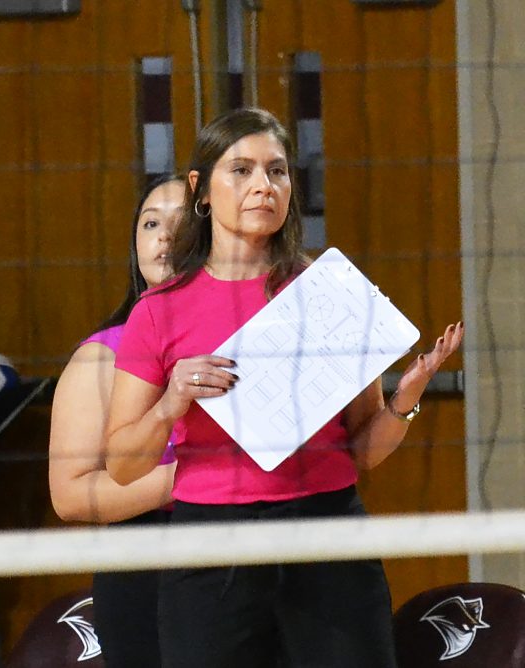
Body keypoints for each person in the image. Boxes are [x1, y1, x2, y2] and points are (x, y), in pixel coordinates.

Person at [105, 107, 463, 668]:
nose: (263, 186)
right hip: (211, 547)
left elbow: (363, 451)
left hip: (327, 531)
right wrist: (171, 402)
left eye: (277, 171)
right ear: (201, 190)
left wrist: (405, 398)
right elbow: (122, 467)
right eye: (241, 170)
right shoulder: (159, 311)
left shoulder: (327, 289)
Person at [48, 174, 183, 667]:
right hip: (144, 570)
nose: (164, 236)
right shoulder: (101, 357)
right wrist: (189, 478)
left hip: (255, 555)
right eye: (150, 224)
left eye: (181, 223)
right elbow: (69, 496)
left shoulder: (244, 336)